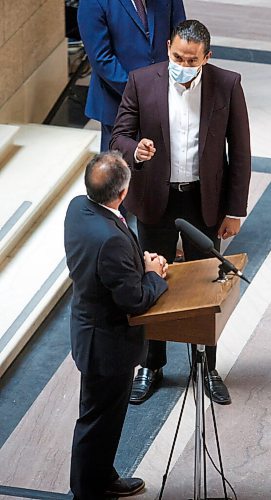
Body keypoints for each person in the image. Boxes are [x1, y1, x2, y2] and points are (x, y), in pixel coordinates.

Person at [111, 19, 251, 406]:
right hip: (155, 198)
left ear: (207, 57)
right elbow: (119, 134)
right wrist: (134, 150)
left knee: (205, 285)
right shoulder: (142, 80)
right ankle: (151, 364)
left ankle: (206, 366)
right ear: (168, 47)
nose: (183, 64)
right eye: (177, 56)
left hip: (203, 201)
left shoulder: (227, 84)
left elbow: (239, 152)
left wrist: (235, 210)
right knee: (152, 279)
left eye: (192, 60)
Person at [64, 151, 168, 500]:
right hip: (106, 345)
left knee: (105, 420)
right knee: (96, 422)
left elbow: (104, 263)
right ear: (122, 194)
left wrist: (136, 260)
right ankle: (87, 491)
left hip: (90, 329)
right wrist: (152, 274)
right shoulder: (109, 240)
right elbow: (135, 300)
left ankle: (102, 475)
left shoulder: (80, 208)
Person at [77, 0, 186, 151]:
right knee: (119, 170)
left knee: (162, 168)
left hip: (165, 100)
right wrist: (141, 93)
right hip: (119, 104)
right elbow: (101, 59)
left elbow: (181, 36)